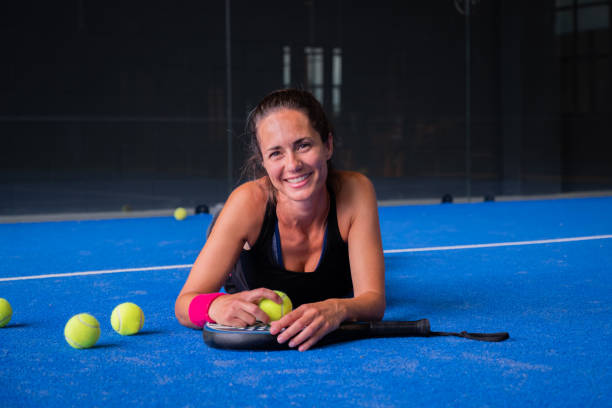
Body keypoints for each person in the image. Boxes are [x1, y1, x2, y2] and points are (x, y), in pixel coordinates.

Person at [175, 89, 385, 351]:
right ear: (263, 162)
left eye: (303, 145)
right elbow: (184, 305)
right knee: (227, 223)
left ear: (328, 145)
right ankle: (221, 225)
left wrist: (338, 307)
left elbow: (374, 300)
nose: (293, 164)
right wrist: (215, 305)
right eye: (276, 153)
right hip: (245, 238)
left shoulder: (356, 191)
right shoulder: (247, 204)